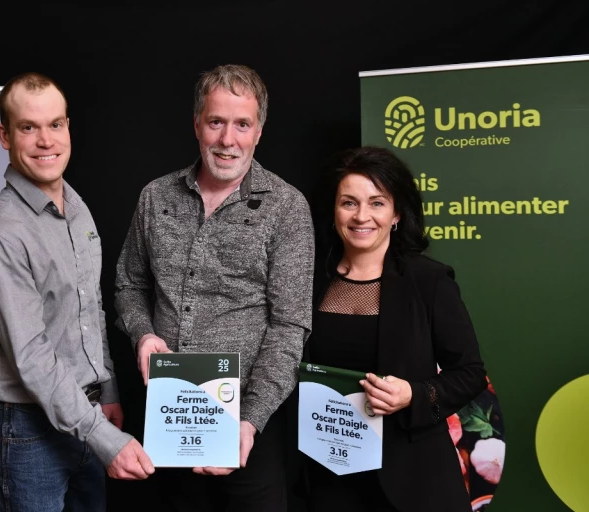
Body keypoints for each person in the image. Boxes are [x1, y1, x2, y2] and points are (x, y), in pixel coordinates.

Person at [114, 64, 314, 512]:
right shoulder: (156, 197)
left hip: (249, 427)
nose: (228, 140)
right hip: (170, 417)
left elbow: (290, 326)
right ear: (197, 124)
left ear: (258, 131)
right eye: (216, 122)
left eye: (242, 124)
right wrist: (143, 334)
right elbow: (129, 284)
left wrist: (248, 422)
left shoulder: (286, 207)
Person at [0, 72, 153, 512]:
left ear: (68, 128)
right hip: (24, 432)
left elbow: (90, 308)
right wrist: (104, 438)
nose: (46, 140)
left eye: (56, 125)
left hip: (80, 416)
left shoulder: (76, 208)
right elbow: (32, 357)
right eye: (28, 127)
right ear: (4, 136)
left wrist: (106, 392)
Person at [301, 145, 488, 512]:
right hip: (329, 479)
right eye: (349, 202)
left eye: (377, 203)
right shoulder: (309, 280)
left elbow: (470, 373)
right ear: (334, 211)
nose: (361, 216)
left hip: (414, 481)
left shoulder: (429, 281)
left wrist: (413, 395)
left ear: (397, 213)